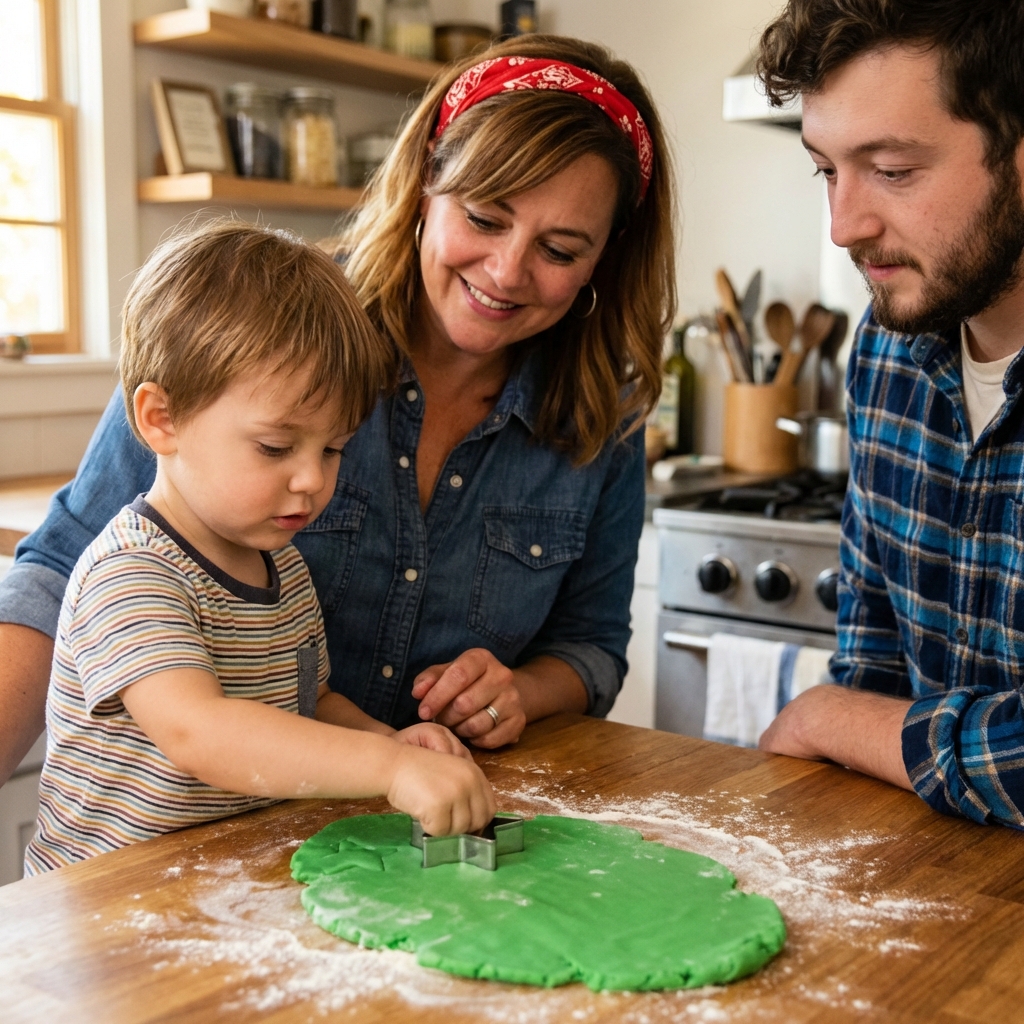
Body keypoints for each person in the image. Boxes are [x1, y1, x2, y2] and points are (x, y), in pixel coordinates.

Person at [0, 36, 676, 786]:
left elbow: (591, 647)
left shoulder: (605, 410)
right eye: (484, 219)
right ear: (426, 181)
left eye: (559, 249)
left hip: (407, 841)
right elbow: (60, 573)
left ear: (605, 257)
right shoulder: (270, 328)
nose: (507, 271)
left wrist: (519, 690)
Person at [25, 221, 495, 874]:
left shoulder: (285, 567)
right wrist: (388, 768)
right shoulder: (131, 574)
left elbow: (311, 702)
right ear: (161, 419)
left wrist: (391, 742)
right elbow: (199, 731)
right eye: (275, 447)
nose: (312, 480)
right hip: (105, 918)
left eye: (332, 449)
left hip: (219, 886)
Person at [754, 0, 1024, 826]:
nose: (844, 225)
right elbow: (872, 653)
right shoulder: (886, 347)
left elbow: (857, 716)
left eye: (894, 171)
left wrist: (832, 719)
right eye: (827, 169)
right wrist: (859, 722)